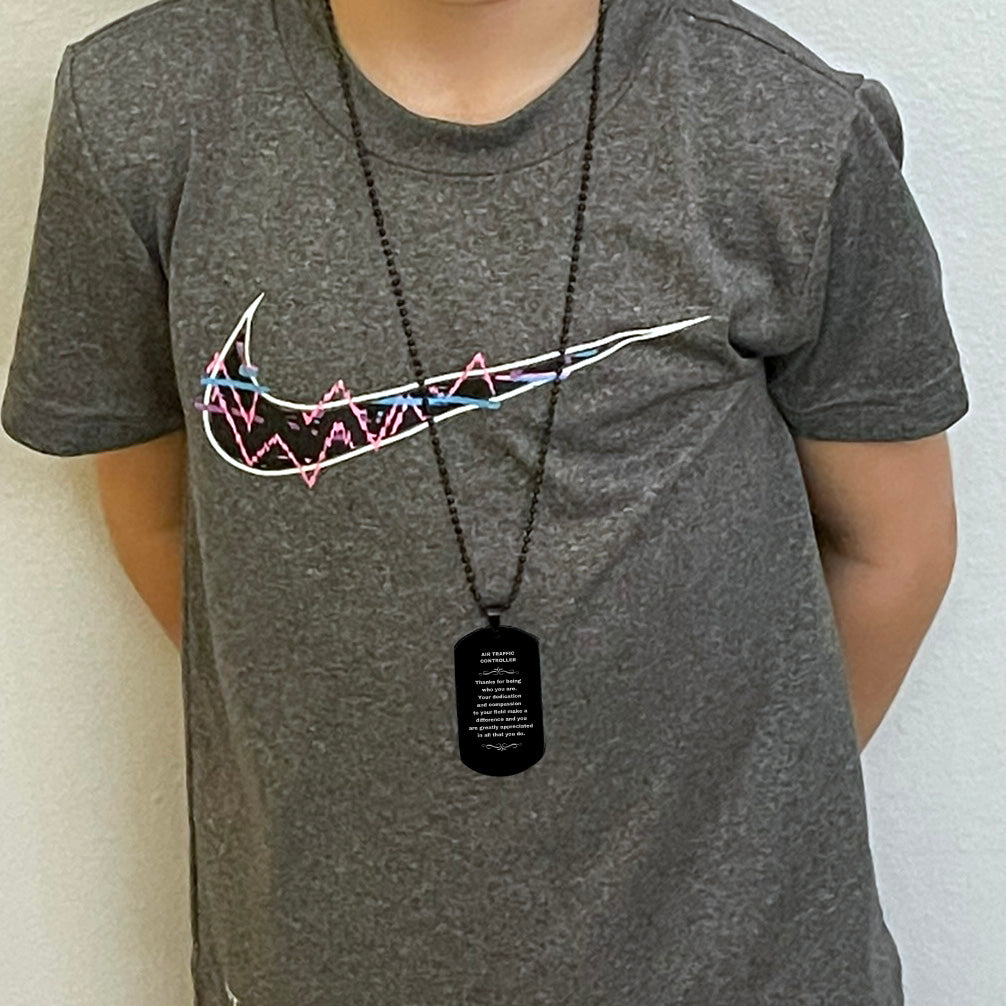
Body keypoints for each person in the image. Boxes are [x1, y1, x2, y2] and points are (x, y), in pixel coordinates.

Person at [1, 0, 969, 1001]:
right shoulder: (141, 117)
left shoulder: (783, 127)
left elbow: (894, 548)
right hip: (322, 958)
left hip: (744, 968)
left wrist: (716, 826)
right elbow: (163, 523)